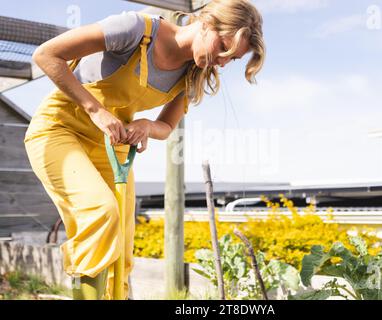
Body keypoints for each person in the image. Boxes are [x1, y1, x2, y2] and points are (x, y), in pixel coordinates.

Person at [24, 0, 265, 300]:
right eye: (223, 48)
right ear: (206, 23)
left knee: (122, 248)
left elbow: (165, 126)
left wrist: (148, 126)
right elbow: (46, 55)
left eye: (232, 59)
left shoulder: (193, 74)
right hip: (59, 129)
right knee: (101, 213)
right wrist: (95, 110)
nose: (222, 62)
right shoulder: (136, 30)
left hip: (112, 148)